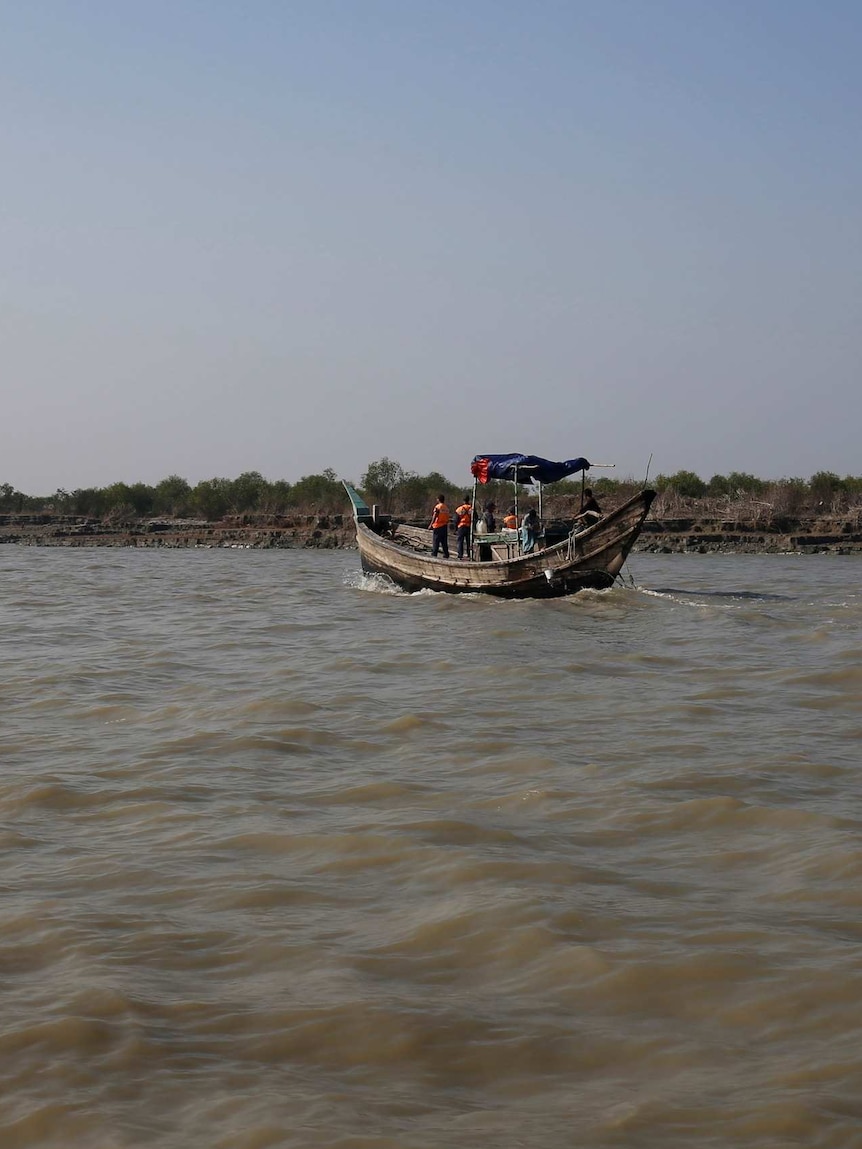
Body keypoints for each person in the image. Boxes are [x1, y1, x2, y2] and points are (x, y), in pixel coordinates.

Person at [429, 494, 450, 558]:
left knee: (436, 541)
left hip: (438, 526)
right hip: (444, 526)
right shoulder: (446, 508)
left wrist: (431, 524)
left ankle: (434, 554)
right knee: (444, 542)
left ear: (438, 499)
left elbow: (435, 515)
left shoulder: (438, 507)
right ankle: (446, 554)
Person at [454, 494, 473, 560]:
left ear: (463, 501)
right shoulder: (472, 508)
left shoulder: (460, 509)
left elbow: (456, 520)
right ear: (469, 500)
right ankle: (469, 554)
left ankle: (460, 555)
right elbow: (475, 517)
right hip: (469, 527)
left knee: (460, 542)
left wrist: (456, 528)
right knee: (469, 542)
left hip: (461, 527)